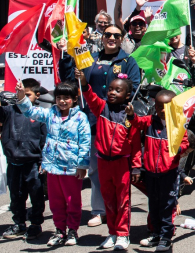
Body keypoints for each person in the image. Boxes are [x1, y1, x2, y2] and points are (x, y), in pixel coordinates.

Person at [58, 23, 140, 229]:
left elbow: (135, 87)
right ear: (102, 38)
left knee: (120, 171)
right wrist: (66, 55)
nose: (112, 38)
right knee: (96, 168)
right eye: (107, 35)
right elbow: (69, 79)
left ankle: (120, 210)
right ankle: (99, 210)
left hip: (118, 122)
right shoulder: (89, 58)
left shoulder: (129, 61)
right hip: (93, 119)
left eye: (116, 35)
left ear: (122, 38)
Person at [16, 79, 90, 247]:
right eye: (59, 97)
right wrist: (21, 96)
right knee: (55, 201)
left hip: (71, 168)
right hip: (52, 166)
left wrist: (82, 166)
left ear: (74, 99)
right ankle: (59, 230)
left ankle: (72, 230)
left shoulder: (80, 118)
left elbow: (85, 143)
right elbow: (30, 112)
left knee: (72, 201)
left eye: (66, 98)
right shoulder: (50, 113)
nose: (62, 101)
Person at [0, 79, 48, 241]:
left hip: (33, 163)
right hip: (14, 163)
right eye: (20, 93)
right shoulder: (9, 111)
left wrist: (44, 160)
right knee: (16, 195)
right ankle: (19, 224)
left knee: (36, 195)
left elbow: (45, 140)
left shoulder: (40, 114)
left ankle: (35, 224)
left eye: (27, 95)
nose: (22, 97)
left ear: (37, 96)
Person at [78, 70, 141, 252]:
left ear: (128, 95)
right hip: (103, 162)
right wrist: (83, 82)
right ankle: (112, 233)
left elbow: (135, 144)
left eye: (118, 90)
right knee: (108, 200)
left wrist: (136, 167)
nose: (112, 93)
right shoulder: (102, 108)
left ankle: (123, 234)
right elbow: (89, 96)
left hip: (121, 164)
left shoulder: (130, 117)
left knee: (122, 201)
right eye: (110, 89)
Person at [131, 89, 191, 253]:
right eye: (159, 106)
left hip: (169, 174)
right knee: (154, 204)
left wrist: (178, 148)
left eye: (167, 106)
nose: (162, 110)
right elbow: (137, 122)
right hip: (151, 173)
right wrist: (130, 115)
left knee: (167, 206)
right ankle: (155, 234)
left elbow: (186, 143)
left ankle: (166, 237)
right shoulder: (150, 121)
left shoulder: (178, 125)